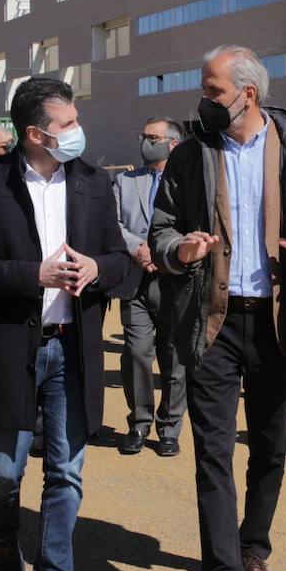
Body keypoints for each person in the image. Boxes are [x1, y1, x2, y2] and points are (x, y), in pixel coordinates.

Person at [150, 45, 286, 571]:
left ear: (248, 95)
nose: (203, 101)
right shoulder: (190, 155)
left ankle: (253, 551)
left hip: (275, 323)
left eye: (212, 91)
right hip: (211, 321)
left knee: (268, 449)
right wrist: (179, 250)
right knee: (213, 451)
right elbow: (161, 226)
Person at [0, 77, 130, 571]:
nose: (78, 132)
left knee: (67, 472)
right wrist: (35, 275)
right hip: (10, 348)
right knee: (4, 471)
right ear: (35, 133)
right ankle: (3, 536)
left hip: (72, 347)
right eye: (67, 124)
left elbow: (121, 259)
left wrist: (99, 269)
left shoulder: (94, 183)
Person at [111, 117, 186, 457]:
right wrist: (137, 249)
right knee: (137, 353)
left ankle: (169, 427)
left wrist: (165, 253)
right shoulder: (125, 181)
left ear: (172, 143)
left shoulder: (189, 182)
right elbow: (111, 223)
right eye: (144, 136)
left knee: (174, 357)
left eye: (153, 137)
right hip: (135, 282)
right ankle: (139, 423)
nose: (145, 142)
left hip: (174, 281)